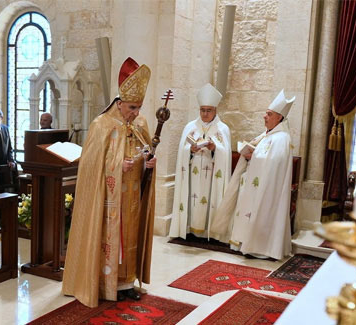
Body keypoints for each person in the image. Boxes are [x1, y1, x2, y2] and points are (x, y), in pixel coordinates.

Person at [62, 57, 156, 307]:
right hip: (108, 200)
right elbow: (90, 165)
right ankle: (105, 284)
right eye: (132, 108)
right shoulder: (101, 124)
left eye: (138, 108)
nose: (136, 113)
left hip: (132, 196)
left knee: (131, 238)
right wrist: (115, 165)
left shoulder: (140, 123)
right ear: (120, 102)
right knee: (112, 240)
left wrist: (149, 164)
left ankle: (126, 283)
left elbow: (146, 150)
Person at [212, 89, 295, 260]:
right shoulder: (268, 135)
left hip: (267, 189)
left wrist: (253, 156)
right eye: (265, 113)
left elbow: (274, 163)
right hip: (253, 184)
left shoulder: (281, 138)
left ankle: (261, 247)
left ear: (279, 117)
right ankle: (244, 242)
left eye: (269, 114)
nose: (264, 116)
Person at [170, 83, 231, 242]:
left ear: (215, 110)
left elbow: (225, 154)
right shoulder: (190, 127)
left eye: (208, 110)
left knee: (208, 201)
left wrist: (214, 148)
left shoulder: (222, 129)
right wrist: (189, 151)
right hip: (192, 172)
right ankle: (189, 228)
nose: (205, 114)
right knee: (192, 199)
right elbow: (181, 152)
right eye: (202, 110)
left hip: (211, 174)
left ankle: (209, 231)